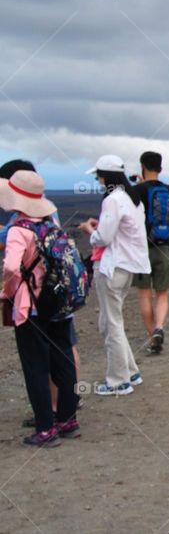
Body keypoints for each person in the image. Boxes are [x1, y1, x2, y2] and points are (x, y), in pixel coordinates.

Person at [0, 160, 81, 429]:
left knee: (35, 366)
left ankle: (45, 427)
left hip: (30, 306)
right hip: (58, 301)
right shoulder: (52, 226)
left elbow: (11, 267)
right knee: (63, 360)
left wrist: (7, 292)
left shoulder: (17, 230)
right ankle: (68, 420)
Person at [79, 155, 150, 396]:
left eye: (98, 175)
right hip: (128, 266)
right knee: (113, 321)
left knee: (111, 323)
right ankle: (130, 371)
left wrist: (91, 231)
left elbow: (104, 238)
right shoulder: (132, 198)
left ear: (105, 176)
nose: (97, 180)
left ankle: (118, 381)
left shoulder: (112, 200)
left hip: (111, 267)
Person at [131, 151, 169, 354]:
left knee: (144, 295)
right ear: (160, 167)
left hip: (142, 249)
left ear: (142, 165)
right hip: (164, 246)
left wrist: (138, 184)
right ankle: (159, 327)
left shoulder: (135, 191)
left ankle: (153, 338)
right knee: (162, 294)